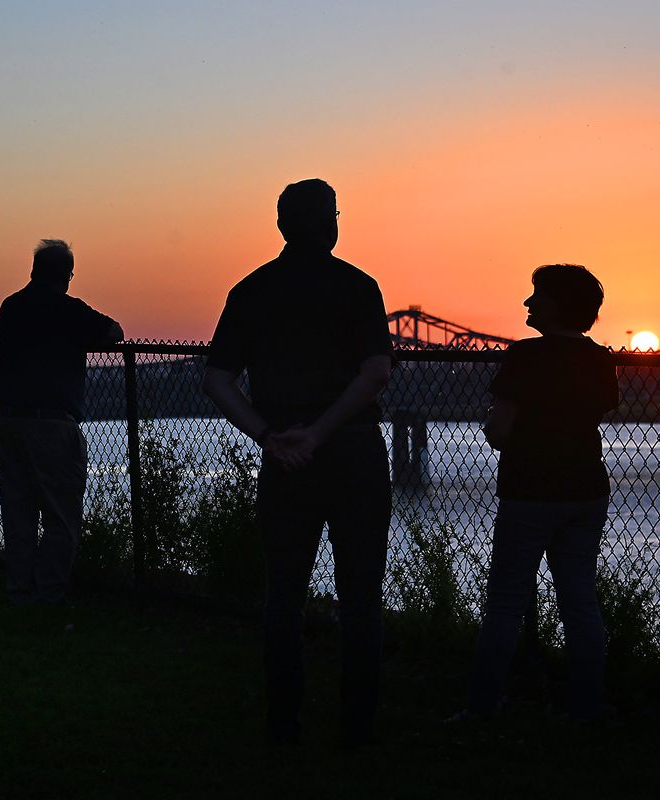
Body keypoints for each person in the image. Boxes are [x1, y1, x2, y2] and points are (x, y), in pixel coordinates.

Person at [202, 179, 394, 746]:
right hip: (354, 451)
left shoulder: (251, 290)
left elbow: (216, 380)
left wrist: (271, 435)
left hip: (284, 455)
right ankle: (358, 726)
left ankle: (283, 722)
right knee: (361, 595)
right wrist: (324, 431)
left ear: (282, 225)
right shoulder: (359, 286)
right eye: (335, 214)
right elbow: (377, 372)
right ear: (329, 224)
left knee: (282, 594)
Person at [457, 263, 618, 723]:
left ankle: (481, 708)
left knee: (505, 602)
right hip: (586, 490)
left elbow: (500, 431)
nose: (527, 303)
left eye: (536, 294)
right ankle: (587, 707)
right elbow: (595, 412)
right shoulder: (601, 358)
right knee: (580, 601)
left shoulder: (525, 356)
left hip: (529, 491)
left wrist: (497, 421)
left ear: (557, 304)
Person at [0, 239, 123, 605]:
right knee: (61, 515)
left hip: (8, 420)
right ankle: (49, 593)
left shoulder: (10, 307)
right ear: (67, 275)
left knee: (18, 513)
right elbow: (114, 332)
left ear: (33, 271)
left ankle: (19, 590)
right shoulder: (70, 310)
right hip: (52, 423)